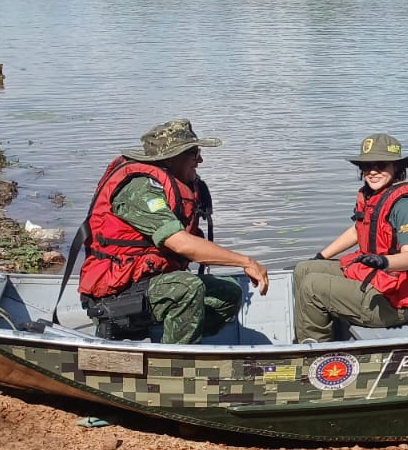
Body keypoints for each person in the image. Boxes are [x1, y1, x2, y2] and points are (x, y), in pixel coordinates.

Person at [77, 119, 269, 343]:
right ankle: (176, 362)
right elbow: (180, 244)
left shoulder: (177, 183)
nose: (200, 160)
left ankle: (172, 339)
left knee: (229, 293)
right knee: (187, 288)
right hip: (114, 294)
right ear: (171, 156)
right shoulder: (139, 189)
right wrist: (246, 262)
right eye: (194, 154)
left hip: (151, 284)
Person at [293, 133, 408, 343]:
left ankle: (318, 356)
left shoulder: (406, 205)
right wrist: (320, 256)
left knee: (312, 286)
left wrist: (384, 261)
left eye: (381, 165)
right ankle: (322, 340)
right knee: (305, 269)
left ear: (397, 168)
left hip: (393, 302)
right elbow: (358, 230)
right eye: (366, 166)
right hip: (373, 279)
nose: (372, 172)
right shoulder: (374, 196)